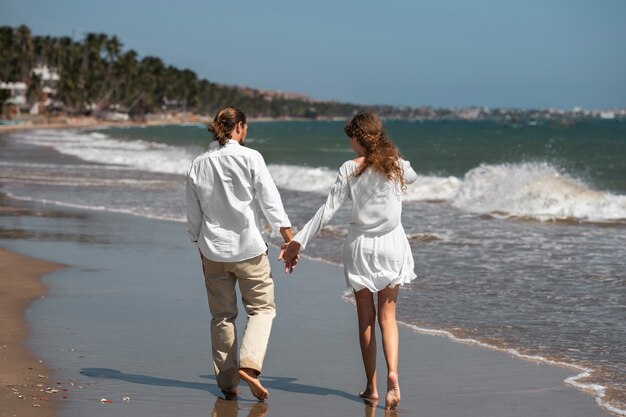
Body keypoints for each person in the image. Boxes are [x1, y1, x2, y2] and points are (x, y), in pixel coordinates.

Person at [280, 111, 417, 410]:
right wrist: (391, 157)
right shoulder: (395, 165)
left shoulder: (349, 169)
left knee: (366, 319)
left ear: (357, 138)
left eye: (351, 139)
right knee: (388, 317)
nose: (350, 145)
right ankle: (393, 373)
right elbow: (413, 175)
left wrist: (297, 242)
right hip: (393, 245)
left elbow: (326, 212)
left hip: (361, 248)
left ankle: (372, 387)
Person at [187, 106, 295, 401]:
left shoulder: (198, 164)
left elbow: (193, 217)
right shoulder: (251, 158)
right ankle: (249, 365)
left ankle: (227, 384)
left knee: (222, 316)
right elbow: (271, 203)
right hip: (248, 248)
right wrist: (289, 240)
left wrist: (201, 250)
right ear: (240, 127)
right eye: (246, 128)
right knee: (262, 309)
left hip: (213, 251)